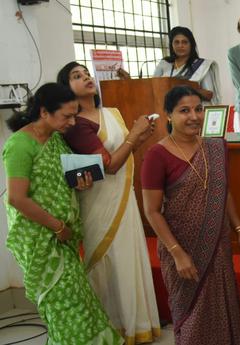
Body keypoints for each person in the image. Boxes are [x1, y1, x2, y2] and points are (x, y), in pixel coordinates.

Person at [2, 83, 123, 344]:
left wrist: (83, 180)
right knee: (65, 305)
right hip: (39, 238)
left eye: (74, 115)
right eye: (66, 116)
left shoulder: (55, 139)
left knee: (79, 301)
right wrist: (57, 226)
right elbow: (16, 197)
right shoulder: (19, 145)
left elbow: (64, 176)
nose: (72, 122)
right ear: (44, 112)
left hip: (63, 235)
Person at [58, 61, 161, 344]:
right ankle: (111, 327)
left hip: (123, 198)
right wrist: (133, 135)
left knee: (129, 258)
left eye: (86, 73)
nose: (86, 78)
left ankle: (136, 323)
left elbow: (124, 153)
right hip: (99, 201)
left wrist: (138, 138)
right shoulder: (77, 124)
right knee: (108, 261)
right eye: (76, 77)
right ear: (66, 89)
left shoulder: (110, 113)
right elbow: (109, 166)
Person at [141, 85, 240, 344]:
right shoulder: (157, 155)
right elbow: (151, 211)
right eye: (184, 111)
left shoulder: (215, 147)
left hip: (217, 245)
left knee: (223, 309)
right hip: (180, 247)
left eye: (198, 109)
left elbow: (224, 191)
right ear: (168, 115)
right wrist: (177, 253)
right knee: (191, 317)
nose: (194, 116)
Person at [153, 26, 222, 105]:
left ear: (191, 45)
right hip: (168, 111)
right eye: (176, 42)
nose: (180, 45)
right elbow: (153, 87)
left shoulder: (201, 66)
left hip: (193, 111)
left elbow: (209, 95)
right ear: (171, 44)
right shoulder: (164, 63)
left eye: (184, 42)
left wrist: (182, 89)